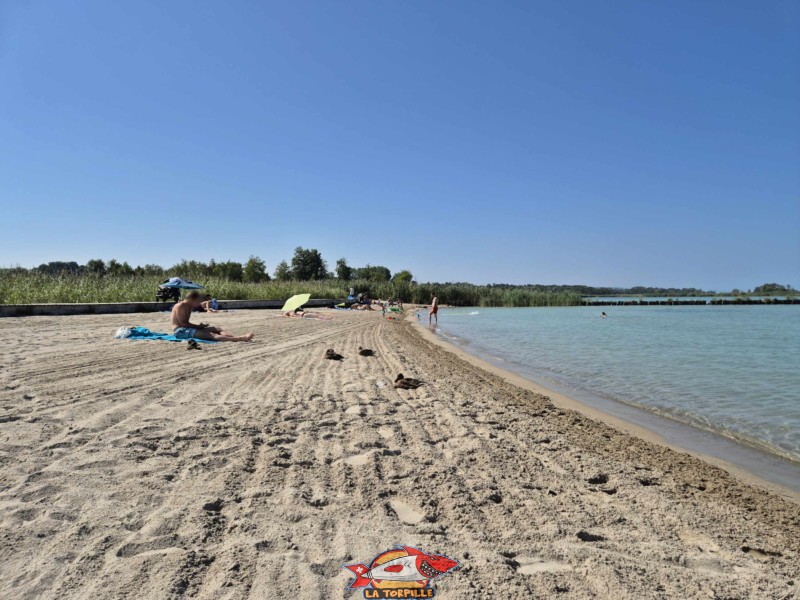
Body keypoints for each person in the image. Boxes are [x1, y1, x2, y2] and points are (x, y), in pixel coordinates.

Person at [171, 291, 254, 341]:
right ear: (191, 299)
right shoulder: (180, 306)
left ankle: (235, 337)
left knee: (217, 329)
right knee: (211, 335)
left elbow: (186, 323)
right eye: (197, 301)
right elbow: (183, 324)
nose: (198, 304)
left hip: (187, 328)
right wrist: (199, 327)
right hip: (180, 331)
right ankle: (240, 338)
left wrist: (200, 326)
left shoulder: (189, 306)